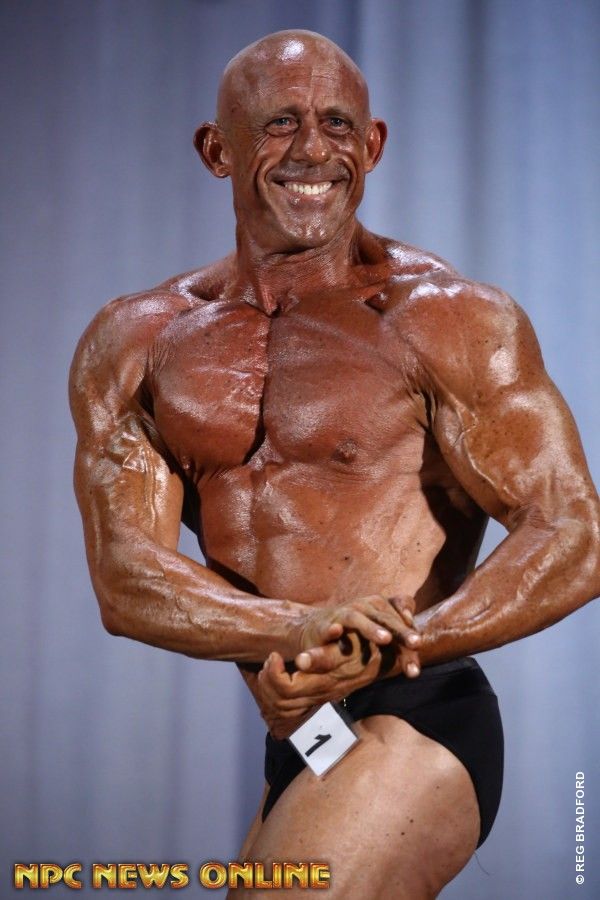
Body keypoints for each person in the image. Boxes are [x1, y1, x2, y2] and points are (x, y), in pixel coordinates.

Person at [69, 29, 599, 899]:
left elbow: (576, 534)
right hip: (302, 738)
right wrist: (288, 631)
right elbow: (126, 578)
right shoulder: (138, 342)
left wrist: (397, 647)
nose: (314, 150)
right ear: (217, 150)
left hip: (419, 712)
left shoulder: (445, 318)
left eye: (339, 124)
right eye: (280, 123)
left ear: (374, 144)